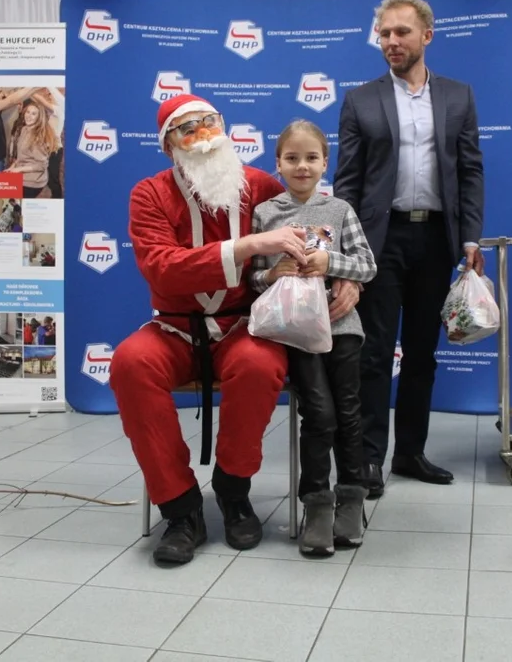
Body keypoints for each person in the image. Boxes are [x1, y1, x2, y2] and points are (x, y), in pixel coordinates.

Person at [109, 94, 360, 566]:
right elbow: (163, 269)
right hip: (175, 327)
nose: (203, 136)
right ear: (168, 146)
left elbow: (317, 226)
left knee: (260, 363)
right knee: (129, 363)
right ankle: (180, 507)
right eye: (189, 129)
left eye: (210, 124)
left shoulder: (261, 184)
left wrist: (346, 275)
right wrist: (247, 245)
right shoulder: (149, 194)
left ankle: (233, 487)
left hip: (245, 322)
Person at [334, 0, 485, 498]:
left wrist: (469, 238)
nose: (392, 41)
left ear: (426, 35)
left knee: (422, 354)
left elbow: (469, 171)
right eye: (385, 33)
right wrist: (344, 249)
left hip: (436, 240)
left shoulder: (458, 96)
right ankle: (369, 459)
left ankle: (410, 453)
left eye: (402, 32)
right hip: (379, 240)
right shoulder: (360, 99)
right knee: (374, 353)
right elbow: (348, 181)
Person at [250, 120, 377, 556]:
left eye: (311, 158)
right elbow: (251, 278)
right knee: (319, 415)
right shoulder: (266, 214)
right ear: (278, 163)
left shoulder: (340, 211)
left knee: (348, 414)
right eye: (292, 158)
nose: (302, 166)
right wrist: (271, 272)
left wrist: (330, 260)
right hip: (296, 332)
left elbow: (368, 267)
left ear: (326, 162)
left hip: (342, 329)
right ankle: (317, 503)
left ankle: (352, 497)